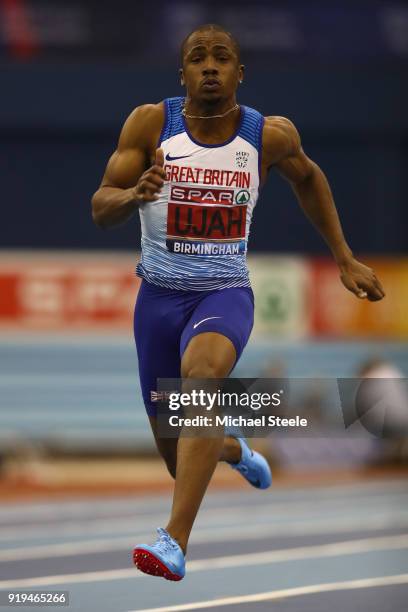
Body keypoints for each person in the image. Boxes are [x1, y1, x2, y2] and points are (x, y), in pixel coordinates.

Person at [91, 23, 385, 581]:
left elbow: (310, 178)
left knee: (200, 378)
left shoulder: (267, 136)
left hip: (223, 291)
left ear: (238, 73)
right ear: (181, 74)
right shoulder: (151, 124)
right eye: (197, 57)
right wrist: (133, 195)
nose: (209, 65)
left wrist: (344, 257)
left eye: (221, 57)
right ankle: (229, 447)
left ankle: (174, 541)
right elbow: (100, 207)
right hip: (157, 298)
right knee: (176, 450)